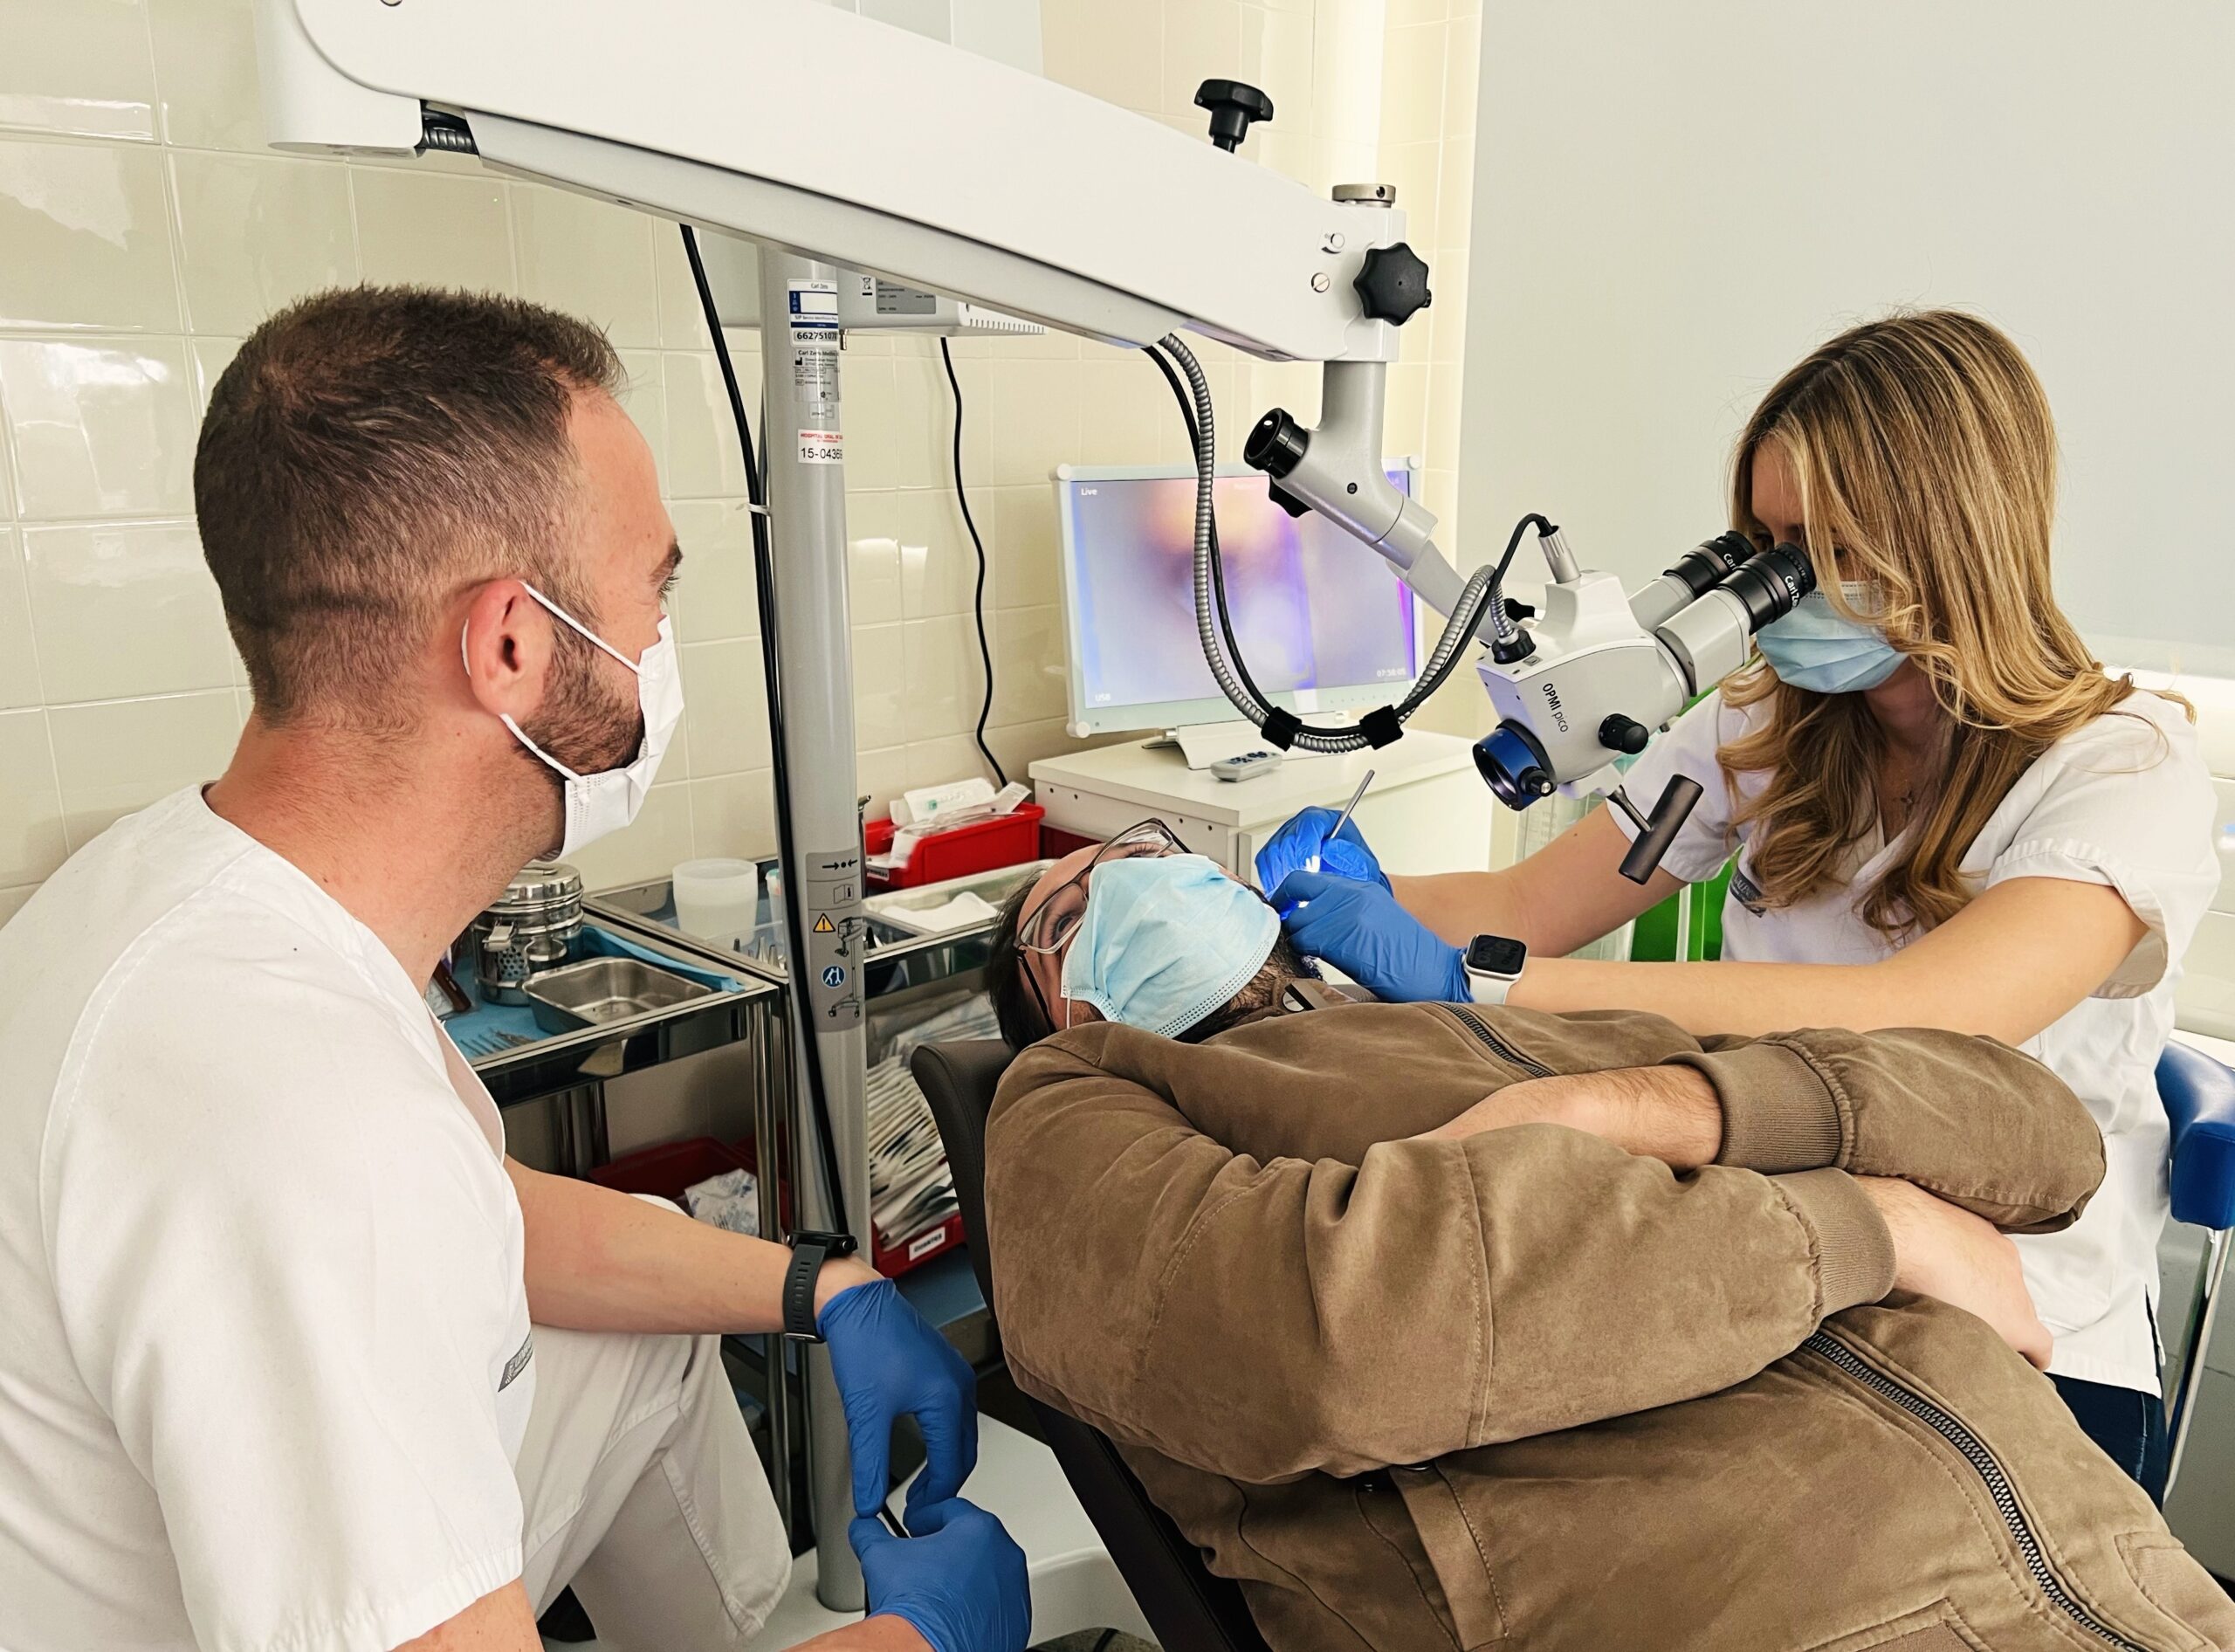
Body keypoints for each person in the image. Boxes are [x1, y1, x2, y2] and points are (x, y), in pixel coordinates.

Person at [0, 287, 1028, 1652]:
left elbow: (484, 1223)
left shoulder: (201, 887)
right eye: (654, 591)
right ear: (510, 644)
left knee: (641, 1341)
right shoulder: (293, 1115)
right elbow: (369, 1204)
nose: (659, 646)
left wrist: (816, 1286)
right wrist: (922, 1643)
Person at [1257, 310, 2218, 1497]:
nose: (1778, 587)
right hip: (1781, 1255)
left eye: (1820, 549)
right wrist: (1325, 892)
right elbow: (1526, 899)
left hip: (2024, 1325)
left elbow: (1921, 1022)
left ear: (1952, 538)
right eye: (1760, 545)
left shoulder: (2125, 769)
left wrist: (1488, 984)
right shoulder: (1761, 728)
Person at [979, 829, 2235, 1652]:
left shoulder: (1529, 1024)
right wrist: (1871, 1222)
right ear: (1055, 1001)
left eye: (1155, 853)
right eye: (1078, 896)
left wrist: (1641, 1106)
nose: (1140, 877)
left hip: (2123, 1584)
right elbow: (1342, 1339)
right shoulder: (1073, 1100)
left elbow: (2039, 1139)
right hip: (1796, 1611)